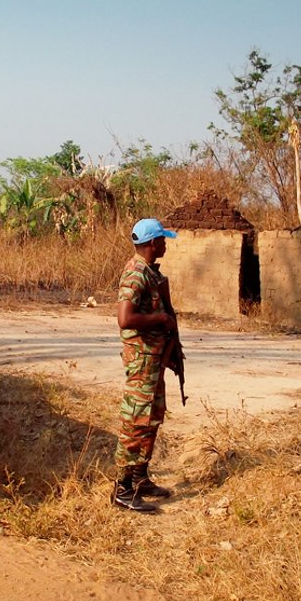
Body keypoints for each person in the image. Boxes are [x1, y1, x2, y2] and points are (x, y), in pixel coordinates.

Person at [111, 217, 179, 513]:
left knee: (151, 417)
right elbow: (125, 319)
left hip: (153, 360)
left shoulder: (150, 272)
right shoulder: (136, 274)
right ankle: (122, 489)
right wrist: (161, 320)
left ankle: (140, 478)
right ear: (152, 243)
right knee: (136, 421)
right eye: (162, 240)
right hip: (142, 361)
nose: (165, 244)